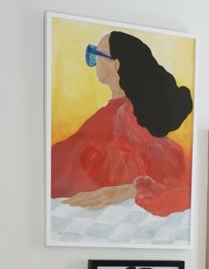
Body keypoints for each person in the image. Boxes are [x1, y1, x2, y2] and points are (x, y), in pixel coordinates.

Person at [51, 31, 193, 216]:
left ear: (116, 65)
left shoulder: (125, 115)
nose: (93, 61)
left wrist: (134, 190)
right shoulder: (130, 112)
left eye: (97, 54)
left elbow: (175, 181)